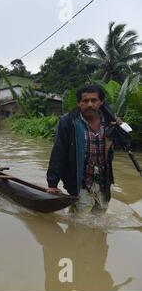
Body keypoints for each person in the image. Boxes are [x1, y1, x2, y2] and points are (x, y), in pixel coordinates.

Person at [46, 84, 120, 213]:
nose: (90, 104)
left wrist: (119, 129)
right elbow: (58, 153)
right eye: (85, 101)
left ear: (101, 102)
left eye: (94, 100)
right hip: (79, 181)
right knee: (79, 219)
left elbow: (122, 145)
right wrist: (52, 184)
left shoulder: (110, 122)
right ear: (79, 103)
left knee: (100, 218)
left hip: (103, 181)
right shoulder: (68, 122)